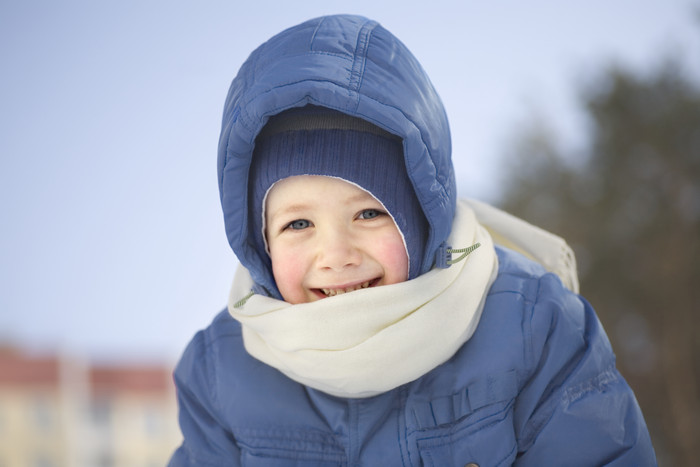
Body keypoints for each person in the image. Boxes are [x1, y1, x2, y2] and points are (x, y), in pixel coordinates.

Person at [169, 14, 656, 466]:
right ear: (259, 242)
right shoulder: (220, 373)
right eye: (298, 224)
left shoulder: (534, 328)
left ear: (423, 216)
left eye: (369, 212)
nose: (336, 256)